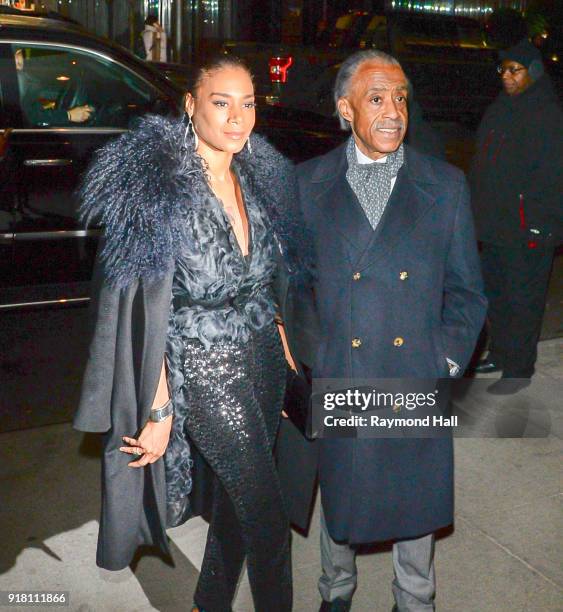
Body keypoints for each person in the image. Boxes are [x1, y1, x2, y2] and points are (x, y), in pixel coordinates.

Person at [74, 56, 313, 612]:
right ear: (191, 104)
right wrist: (158, 408)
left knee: (237, 510)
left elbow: (269, 278)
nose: (238, 119)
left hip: (262, 359)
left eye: (248, 103)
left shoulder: (260, 175)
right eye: (221, 103)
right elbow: (140, 307)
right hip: (202, 368)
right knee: (269, 522)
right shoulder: (157, 187)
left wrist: (281, 342)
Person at [296, 50, 487, 611]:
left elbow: (468, 291)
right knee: (341, 496)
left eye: (401, 97)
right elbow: (294, 286)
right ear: (344, 108)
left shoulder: (445, 186)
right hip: (343, 372)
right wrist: (318, 356)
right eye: (376, 98)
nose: (393, 111)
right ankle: (336, 593)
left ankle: (416, 599)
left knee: (415, 499)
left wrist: (444, 358)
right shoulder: (306, 185)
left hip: (412, 372)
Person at [469, 38, 563, 394]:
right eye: (503, 70)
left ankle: (519, 369)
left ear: (533, 72)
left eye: (515, 70)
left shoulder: (547, 114)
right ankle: (501, 352)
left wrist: (543, 224)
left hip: (529, 228)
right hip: (495, 227)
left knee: (524, 300)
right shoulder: (500, 108)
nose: (507, 77)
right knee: (497, 294)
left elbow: (554, 177)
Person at [14, 48, 94, 127]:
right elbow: (28, 117)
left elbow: (34, 104)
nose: (19, 69)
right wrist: (69, 115)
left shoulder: (22, 80)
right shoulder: (15, 81)